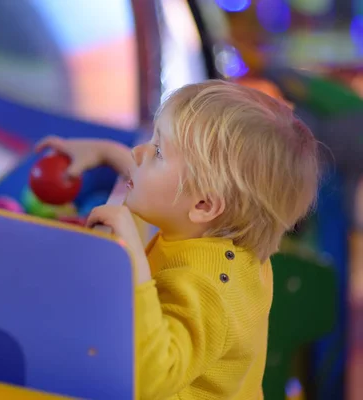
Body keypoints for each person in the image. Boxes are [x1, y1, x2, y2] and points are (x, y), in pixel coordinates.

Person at [36, 80, 320, 399]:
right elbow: (169, 188)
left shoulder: (209, 289)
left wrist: (131, 264)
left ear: (204, 205)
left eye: (157, 151)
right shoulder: (227, 235)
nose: (138, 153)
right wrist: (105, 153)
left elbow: (151, 380)